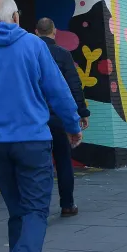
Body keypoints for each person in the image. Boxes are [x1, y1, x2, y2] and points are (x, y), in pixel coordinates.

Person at [0, 0, 82, 252]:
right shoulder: (34, 45)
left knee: (17, 211)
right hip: (33, 141)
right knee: (36, 210)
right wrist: (72, 125)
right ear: (16, 17)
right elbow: (58, 90)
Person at [34, 18, 89, 217]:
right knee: (63, 160)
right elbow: (74, 85)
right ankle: (67, 204)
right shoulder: (63, 54)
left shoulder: (29, 53)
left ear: (36, 32)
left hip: (36, 118)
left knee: (39, 164)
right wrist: (82, 112)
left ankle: (39, 207)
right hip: (58, 118)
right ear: (54, 31)